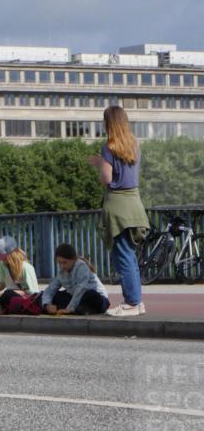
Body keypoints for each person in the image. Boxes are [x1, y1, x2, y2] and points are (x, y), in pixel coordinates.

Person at [88, 105, 150, 317]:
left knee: (122, 256)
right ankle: (137, 302)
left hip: (117, 205)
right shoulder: (135, 145)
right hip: (135, 203)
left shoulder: (109, 147)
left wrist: (99, 163)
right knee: (130, 256)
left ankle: (132, 302)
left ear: (108, 123)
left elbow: (108, 179)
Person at [41, 243, 110, 316]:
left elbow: (80, 289)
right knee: (54, 295)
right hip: (77, 300)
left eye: (65, 262)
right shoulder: (61, 272)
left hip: (97, 299)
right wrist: (47, 305)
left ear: (74, 259)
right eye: (59, 263)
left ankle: (79, 309)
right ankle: (82, 309)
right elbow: (50, 290)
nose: (62, 266)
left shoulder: (81, 267)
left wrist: (69, 308)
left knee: (90, 294)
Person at [0, 235, 40, 315]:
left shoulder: (26, 267)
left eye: (3, 257)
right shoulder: (2, 265)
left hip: (22, 299)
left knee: (8, 294)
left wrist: (13, 292)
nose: (1, 259)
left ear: (11, 255)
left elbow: (31, 293)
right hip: (6, 297)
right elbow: (2, 283)